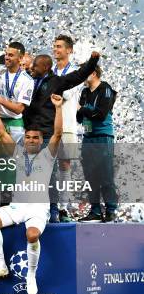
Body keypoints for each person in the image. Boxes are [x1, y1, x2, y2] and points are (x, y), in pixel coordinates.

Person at [0, 93, 64, 294]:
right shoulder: (18, 152)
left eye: (35, 138)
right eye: (28, 137)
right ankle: (1, 266)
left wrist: (58, 108)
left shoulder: (48, 155)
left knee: (32, 234)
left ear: (40, 140)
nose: (30, 140)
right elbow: (1, 133)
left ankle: (31, 275)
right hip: (17, 207)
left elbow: (58, 134)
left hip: (38, 208)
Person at [23, 51, 100, 219]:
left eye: (35, 66)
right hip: (28, 132)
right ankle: (28, 209)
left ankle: (53, 210)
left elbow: (79, 75)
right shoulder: (27, 80)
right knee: (26, 172)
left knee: (49, 173)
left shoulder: (56, 82)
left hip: (45, 133)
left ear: (45, 67)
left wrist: (93, 60)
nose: (31, 68)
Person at [0, 42, 34, 211]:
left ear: (20, 59)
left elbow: (19, 108)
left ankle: (6, 206)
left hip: (14, 123)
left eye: (11, 55)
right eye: (6, 54)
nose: (7, 57)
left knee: (10, 165)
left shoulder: (27, 80)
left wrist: (0, 100)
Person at [77, 66, 118, 222]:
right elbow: (78, 118)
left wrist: (84, 109)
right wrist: (86, 110)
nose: (82, 76)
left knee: (105, 175)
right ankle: (95, 210)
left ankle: (111, 210)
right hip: (88, 136)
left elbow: (100, 115)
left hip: (102, 137)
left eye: (85, 72)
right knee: (90, 176)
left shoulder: (105, 89)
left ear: (93, 73)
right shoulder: (85, 92)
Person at [50, 34, 82, 222]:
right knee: (48, 166)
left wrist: (52, 92)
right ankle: (50, 207)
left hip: (68, 124)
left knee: (64, 166)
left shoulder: (76, 72)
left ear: (69, 50)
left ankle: (63, 207)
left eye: (59, 46)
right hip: (49, 125)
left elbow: (67, 95)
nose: (56, 49)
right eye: (54, 46)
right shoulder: (50, 71)